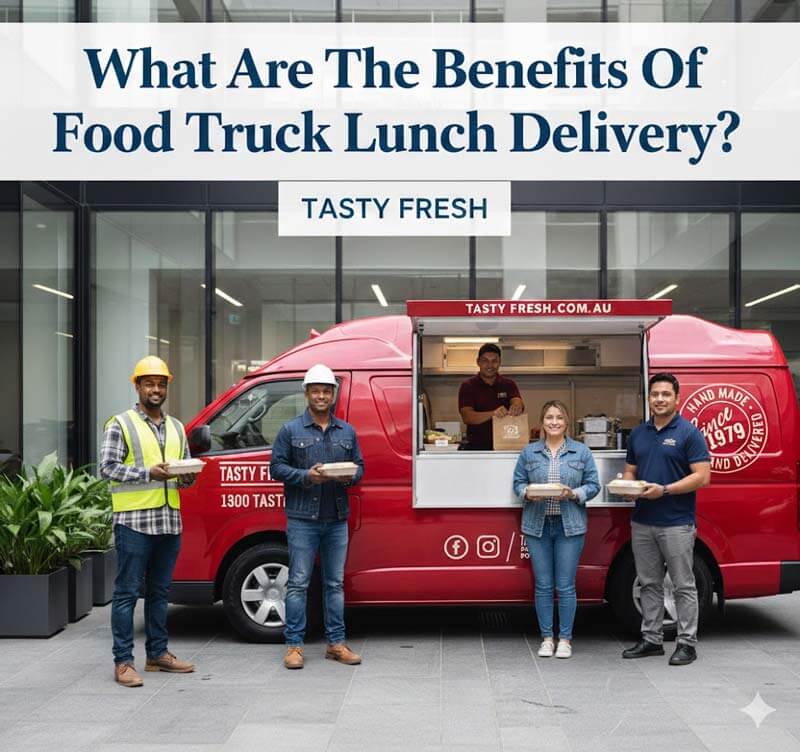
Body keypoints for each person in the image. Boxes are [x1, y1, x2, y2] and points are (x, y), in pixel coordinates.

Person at [99, 356, 197, 688]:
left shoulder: (177, 427)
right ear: (137, 386)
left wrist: (188, 476)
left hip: (169, 522)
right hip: (134, 523)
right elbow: (108, 468)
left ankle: (157, 654)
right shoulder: (120, 424)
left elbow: (180, 470)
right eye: (149, 383)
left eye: (161, 384)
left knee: (160, 592)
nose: (156, 389)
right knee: (126, 593)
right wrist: (148, 473)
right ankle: (123, 662)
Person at [270, 363, 365, 670]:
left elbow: (360, 466)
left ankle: (336, 644)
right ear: (307, 394)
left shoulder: (346, 431)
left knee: (334, 584)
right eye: (316, 391)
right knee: (298, 583)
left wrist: (348, 476)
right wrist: (306, 476)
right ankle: (294, 646)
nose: (321, 396)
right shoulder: (290, 430)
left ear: (333, 395)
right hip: (302, 519)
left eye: (326, 391)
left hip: (336, 518)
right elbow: (277, 468)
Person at [621, 372, 711, 666]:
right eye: (655, 394)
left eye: (665, 394)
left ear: (677, 398)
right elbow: (631, 469)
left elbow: (702, 477)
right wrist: (628, 487)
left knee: (683, 585)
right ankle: (652, 639)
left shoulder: (688, 433)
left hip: (676, 523)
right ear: (649, 398)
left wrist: (666, 490)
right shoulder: (638, 433)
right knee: (649, 583)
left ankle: (687, 643)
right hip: (643, 521)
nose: (659, 399)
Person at [513, 400, 599, 659]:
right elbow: (518, 483)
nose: (554, 422)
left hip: (569, 526)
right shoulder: (529, 452)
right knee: (543, 585)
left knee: (565, 585)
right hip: (537, 526)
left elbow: (593, 485)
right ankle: (547, 638)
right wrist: (527, 493)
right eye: (549, 417)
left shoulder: (581, 452)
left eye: (559, 417)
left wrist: (573, 493)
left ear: (566, 422)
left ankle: (566, 639)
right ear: (542, 422)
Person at [458, 343, 525, 450]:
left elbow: (517, 401)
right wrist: (493, 413)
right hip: (476, 449)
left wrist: (517, 406)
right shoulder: (468, 386)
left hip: (506, 447)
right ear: (478, 362)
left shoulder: (509, 384)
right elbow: (467, 417)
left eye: (494, 361)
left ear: (499, 363)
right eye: (485, 361)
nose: (490, 365)